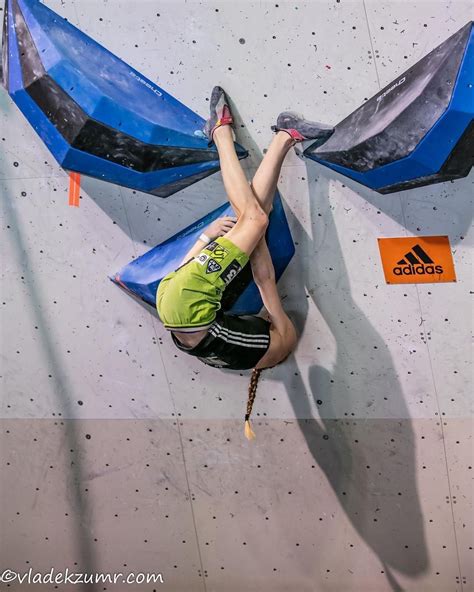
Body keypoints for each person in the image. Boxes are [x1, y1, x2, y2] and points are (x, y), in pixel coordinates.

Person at [156, 86, 333, 438]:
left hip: (188, 304)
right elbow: (185, 280)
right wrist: (206, 239)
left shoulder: (280, 342)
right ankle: (285, 136)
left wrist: (253, 238)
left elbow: (265, 280)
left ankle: (220, 132)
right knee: (256, 214)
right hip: (172, 301)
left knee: (254, 220)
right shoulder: (232, 356)